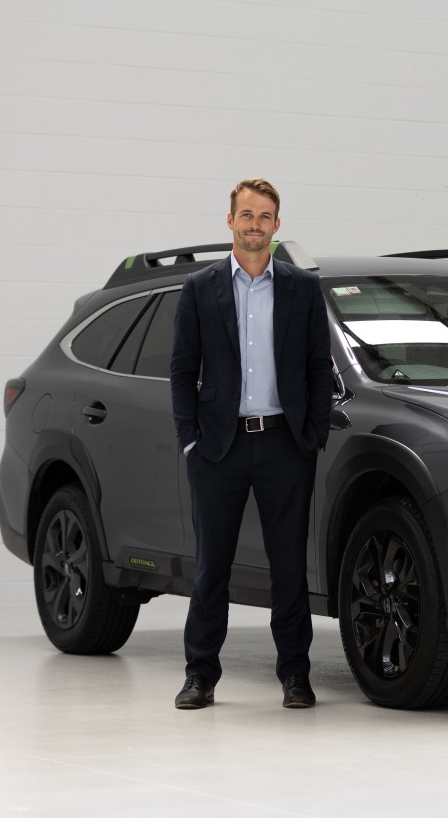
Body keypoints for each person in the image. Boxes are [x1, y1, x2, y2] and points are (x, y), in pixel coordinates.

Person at [169, 178, 332, 710]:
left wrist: (312, 437)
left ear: (277, 226)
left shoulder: (302, 288)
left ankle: (295, 676)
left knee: (289, 566)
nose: (255, 224)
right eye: (246, 215)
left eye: (265, 216)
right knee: (211, 566)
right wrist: (189, 440)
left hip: (285, 446)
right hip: (219, 449)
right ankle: (200, 675)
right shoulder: (200, 288)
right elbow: (181, 370)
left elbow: (317, 367)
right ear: (230, 221)